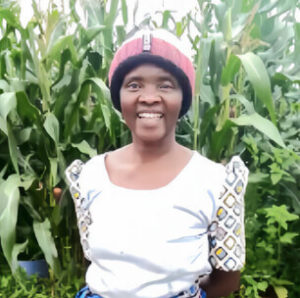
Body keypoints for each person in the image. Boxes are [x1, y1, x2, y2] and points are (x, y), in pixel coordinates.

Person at [66, 29, 249, 298]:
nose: (149, 97)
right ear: (119, 97)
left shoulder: (216, 182)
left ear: (182, 98)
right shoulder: (90, 176)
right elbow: (97, 262)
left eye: (165, 85)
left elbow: (227, 280)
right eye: (134, 85)